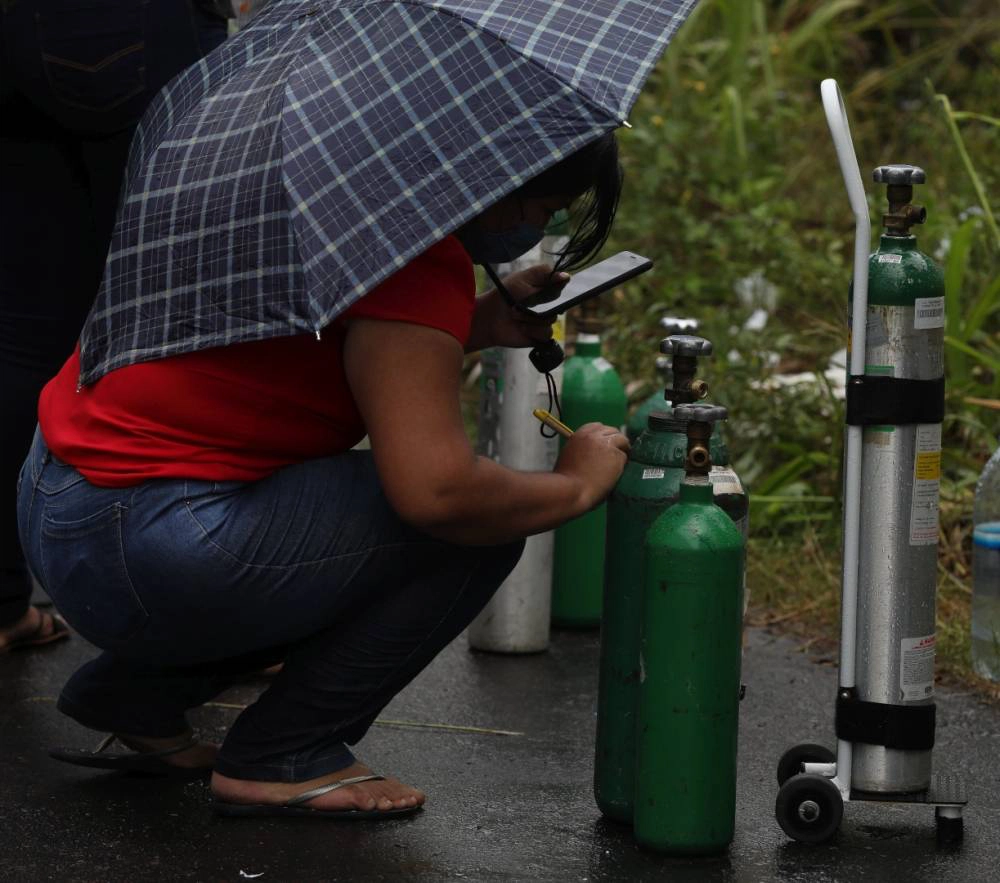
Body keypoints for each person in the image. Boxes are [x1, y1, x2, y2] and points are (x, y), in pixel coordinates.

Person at [17, 133, 630, 818]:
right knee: (475, 530)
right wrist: (576, 486)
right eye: (543, 207)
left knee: (333, 532)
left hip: (56, 506)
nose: (537, 229)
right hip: (152, 545)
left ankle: (139, 694)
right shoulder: (412, 253)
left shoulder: (308, 193)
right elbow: (440, 493)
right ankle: (285, 753)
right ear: (497, 177)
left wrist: (476, 322)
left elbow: (309, 345)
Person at [0, 0, 228, 653]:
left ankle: (2, 602)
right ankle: (207, 617)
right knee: (181, 311)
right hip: (137, 23)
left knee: (18, 330)